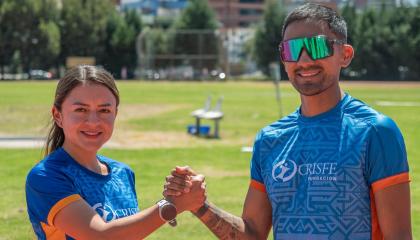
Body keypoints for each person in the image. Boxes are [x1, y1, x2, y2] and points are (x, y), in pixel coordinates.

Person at [164, 3, 412, 240]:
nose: (303, 61)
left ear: (345, 55)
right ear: (283, 59)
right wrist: (200, 206)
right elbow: (252, 234)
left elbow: (399, 236)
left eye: (316, 47)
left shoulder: (375, 132)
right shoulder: (270, 140)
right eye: (292, 50)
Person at [25, 65, 206, 239]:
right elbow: (99, 235)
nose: (94, 121)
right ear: (58, 115)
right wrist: (171, 206)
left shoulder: (122, 173)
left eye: (104, 110)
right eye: (81, 109)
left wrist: (179, 195)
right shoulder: (46, 177)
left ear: (115, 114)